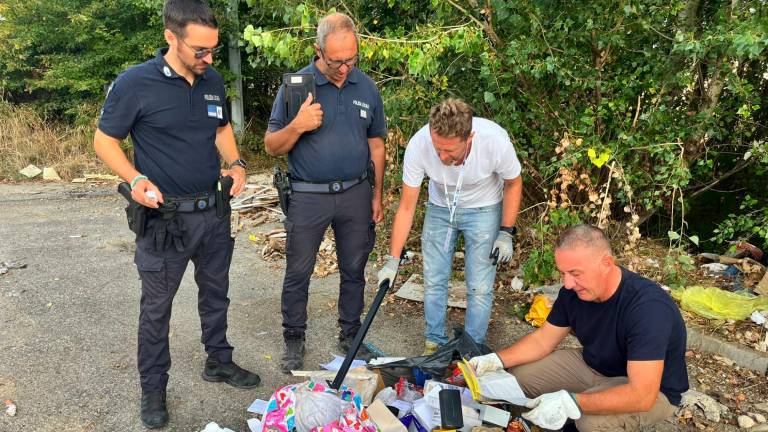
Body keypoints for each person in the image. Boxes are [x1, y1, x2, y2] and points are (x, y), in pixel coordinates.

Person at [93, 0, 260, 427]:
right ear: (171, 37)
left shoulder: (212, 79)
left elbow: (221, 128)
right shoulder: (136, 84)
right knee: (157, 309)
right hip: (164, 221)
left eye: (213, 50)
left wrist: (237, 164)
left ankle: (219, 361)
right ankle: (153, 390)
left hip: (213, 213)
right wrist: (134, 179)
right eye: (199, 50)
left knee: (216, 294)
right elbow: (104, 141)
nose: (208, 59)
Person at [469, 224, 689, 431]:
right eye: (563, 273)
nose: (567, 284)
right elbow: (542, 340)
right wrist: (494, 360)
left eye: (575, 273)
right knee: (518, 378)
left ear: (606, 264)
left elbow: (642, 395)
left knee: (588, 422)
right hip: (593, 364)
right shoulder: (573, 292)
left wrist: (571, 401)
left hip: (651, 389)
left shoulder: (647, 308)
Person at [264, 12, 387, 373]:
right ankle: (294, 338)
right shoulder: (296, 87)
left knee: (354, 269)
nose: (345, 67)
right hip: (308, 195)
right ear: (318, 50)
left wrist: (377, 195)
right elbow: (272, 145)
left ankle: (350, 335)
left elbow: (376, 145)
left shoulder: (366, 87)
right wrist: (298, 125)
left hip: (355, 193)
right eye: (336, 61)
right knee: (298, 271)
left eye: (352, 59)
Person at [377, 98, 523, 355]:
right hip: (440, 207)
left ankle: (471, 348)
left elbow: (513, 182)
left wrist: (505, 232)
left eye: (450, 151)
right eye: (438, 149)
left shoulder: (494, 141)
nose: (442, 157)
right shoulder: (419, 145)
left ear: (470, 137)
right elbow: (407, 207)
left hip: (484, 208)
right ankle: (435, 343)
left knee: (479, 285)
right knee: (433, 279)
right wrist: (393, 260)